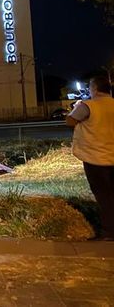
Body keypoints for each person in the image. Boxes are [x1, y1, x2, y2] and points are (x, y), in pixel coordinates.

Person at [66, 76, 114, 240]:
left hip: (96, 158)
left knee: (103, 195)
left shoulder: (88, 106)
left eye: (90, 87)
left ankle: (108, 231)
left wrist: (77, 105)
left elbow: (70, 121)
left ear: (94, 88)